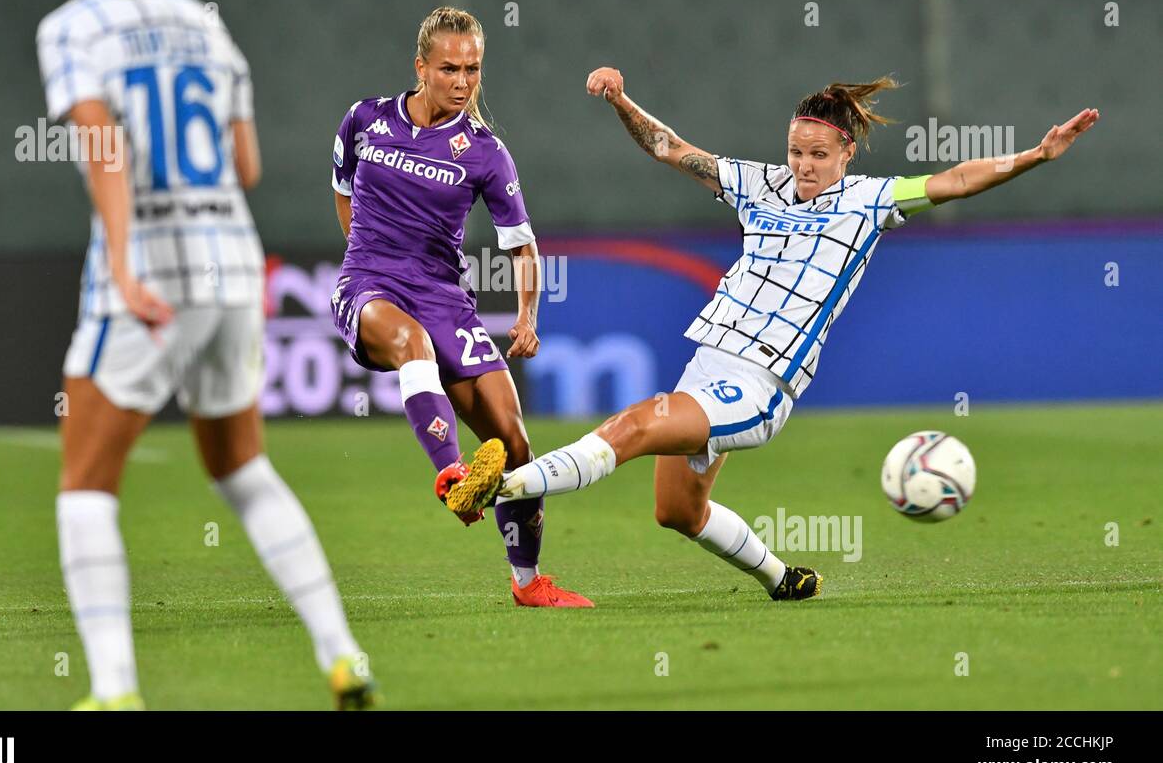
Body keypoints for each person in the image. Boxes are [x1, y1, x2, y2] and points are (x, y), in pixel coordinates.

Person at [446, 64, 1099, 601]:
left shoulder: (869, 202)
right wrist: (621, 100)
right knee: (678, 512)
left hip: (758, 385)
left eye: (819, 154)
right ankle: (782, 579)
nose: (804, 165)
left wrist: (1038, 155)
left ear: (847, 151)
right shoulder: (759, 186)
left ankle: (499, 487)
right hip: (708, 362)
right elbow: (672, 148)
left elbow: (954, 179)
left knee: (636, 426)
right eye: (795, 151)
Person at [37, 0, 375, 708]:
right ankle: (342, 657)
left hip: (150, 270)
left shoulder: (72, 28)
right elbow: (247, 165)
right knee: (242, 468)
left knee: (84, 486)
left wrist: (119, 260)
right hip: (232, 261)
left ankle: (114, 691)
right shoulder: (205, 24)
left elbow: (105, 149)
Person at [330, 6, 592, 607]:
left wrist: (527, 317)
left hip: (444, 296)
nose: (462, 82)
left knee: (518, 445)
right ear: (419, 66)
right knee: (411, 346)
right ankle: (452, 475)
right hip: (369, 283)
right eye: (449, 68)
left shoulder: (484, 152)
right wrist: (364, 259)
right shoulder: (364, 121)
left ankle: (527, 583)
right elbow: (343, 190)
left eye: (473, 69)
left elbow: (523, 244)